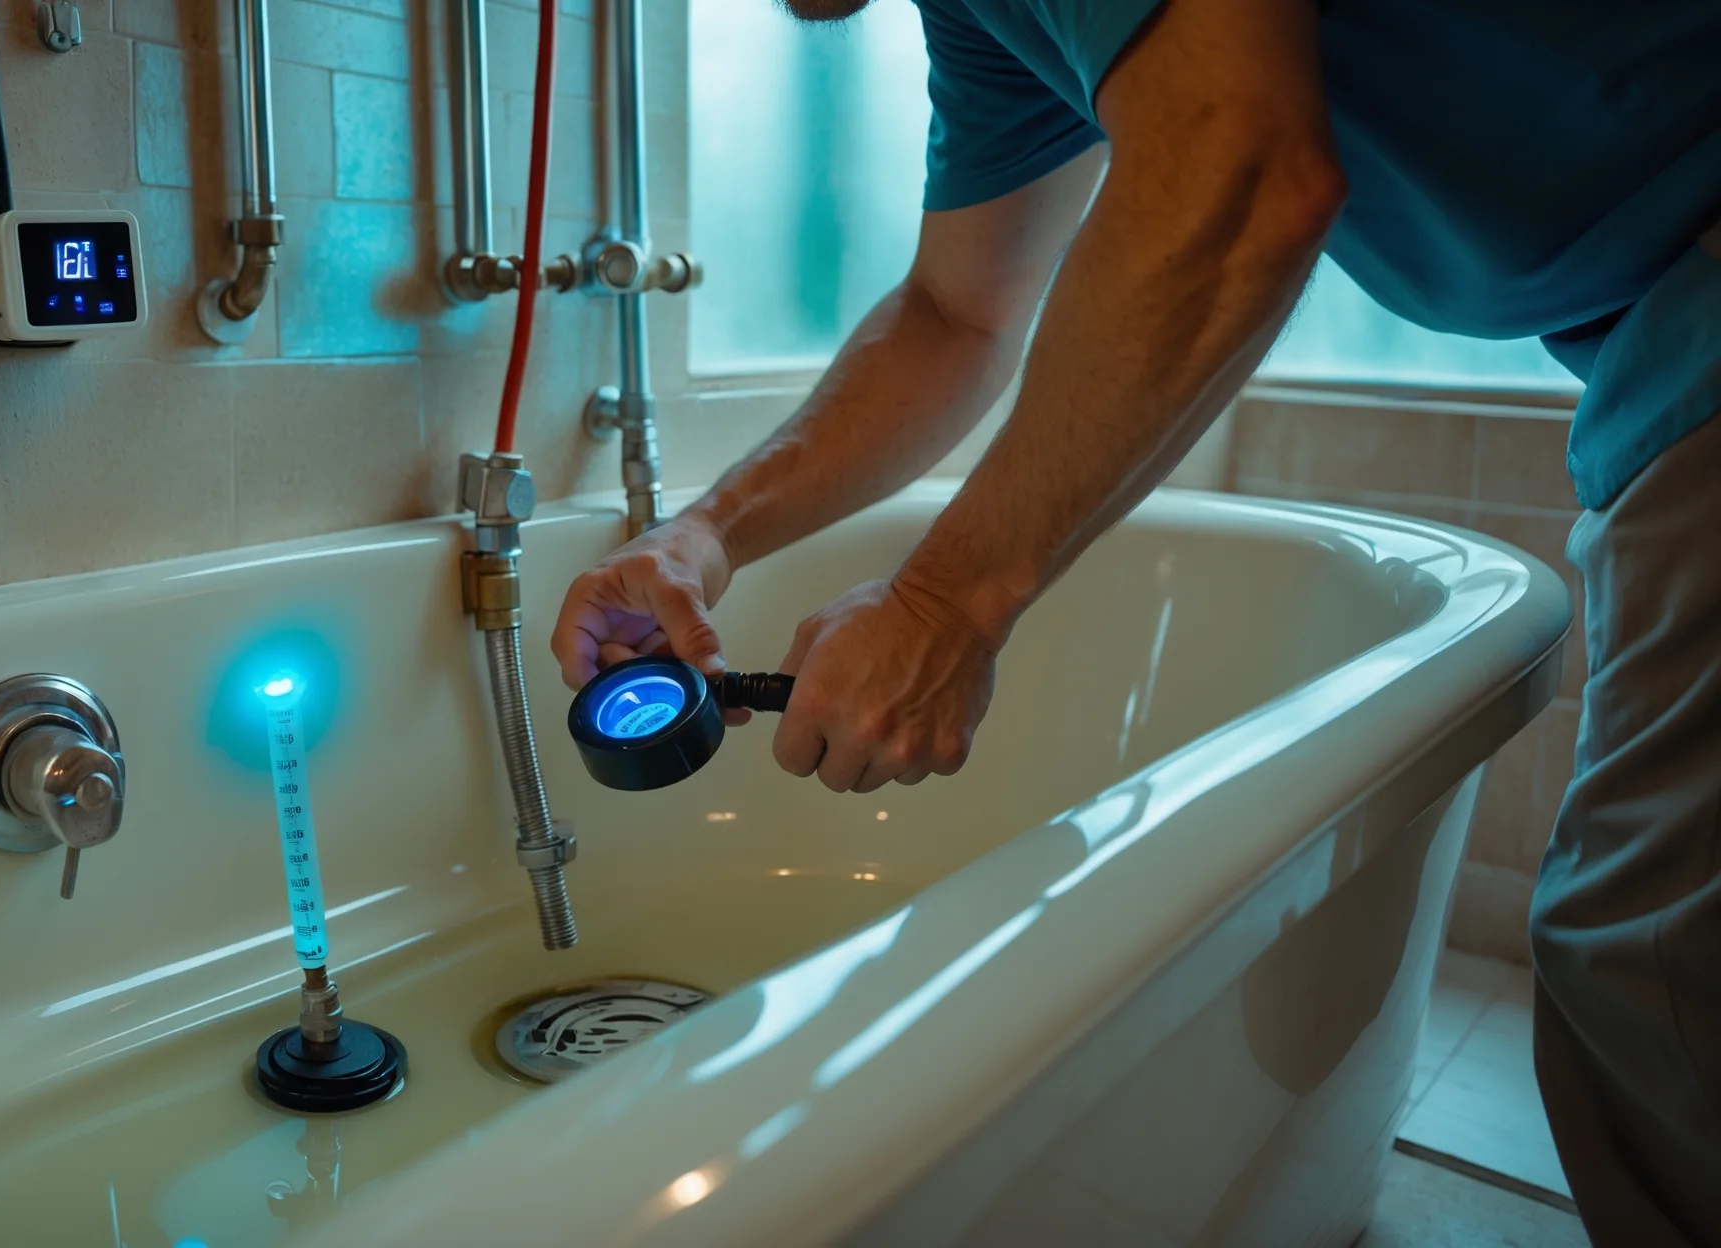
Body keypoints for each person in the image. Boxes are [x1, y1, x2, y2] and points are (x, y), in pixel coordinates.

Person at [548, 0, 1721, 1240]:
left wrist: (947, 600)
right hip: (1663, 329)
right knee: (1649, 980)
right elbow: (958, 314)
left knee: (1659, 989)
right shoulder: (995, 30)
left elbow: (1238, 162)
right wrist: (703, 532)